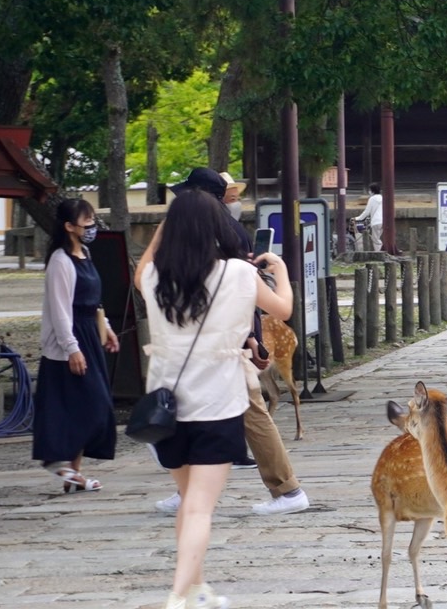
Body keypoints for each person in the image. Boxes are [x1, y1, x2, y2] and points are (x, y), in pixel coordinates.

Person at [139, 190, 294, 609]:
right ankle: (177, 595)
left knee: (190, 505)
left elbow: (142, 268)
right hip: (217, 406)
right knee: (199, 510)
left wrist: (163, 227)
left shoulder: (155, 278)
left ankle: (196, 590)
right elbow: (282, 310)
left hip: (165, 409)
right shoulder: (238, 276)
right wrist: (278, 269)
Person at [154, 167, 309, 517]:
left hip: (224, 340)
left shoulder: (224, 235)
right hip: (212, 339)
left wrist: (250, 335)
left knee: (251, 412)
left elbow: (250, 292)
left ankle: (287, 489)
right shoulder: (213, 231)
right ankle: (190, 487)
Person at [33, 198, 118, 493]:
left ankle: (75, 473)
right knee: (85, 404)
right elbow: (60, 310)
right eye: (87, 224)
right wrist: (71, 348)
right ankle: (58, 460)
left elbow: (93, 299)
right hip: (69, 337)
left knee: (94, 404)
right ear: (69, 227)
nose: (92, 228)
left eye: (93, 222)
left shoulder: (86, 254)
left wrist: (105, 328)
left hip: (89, 332)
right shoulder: (60, 261)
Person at [355, 183, 384, 251]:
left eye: (369, 190)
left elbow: (367, 212)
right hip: (384, 221)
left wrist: (358, 218)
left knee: (375, 239)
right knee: (378, 237)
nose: (369, 191)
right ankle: (381, 251)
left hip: (376, 221)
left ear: (372, 191)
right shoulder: (382, 198)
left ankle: (379, 253)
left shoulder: (372, 199)